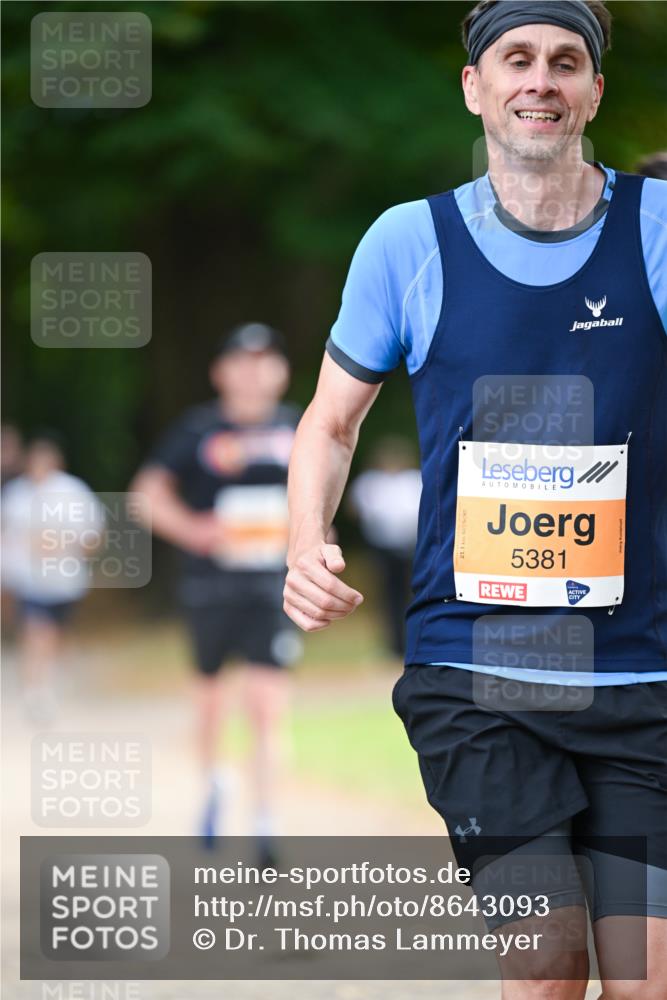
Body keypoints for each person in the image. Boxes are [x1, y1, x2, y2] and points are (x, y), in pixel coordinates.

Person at [283, 2, 667, 996]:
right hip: (477, 672)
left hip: (645, 676)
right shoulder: (405, 244)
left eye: (566, 62)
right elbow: (328, 425)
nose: (540, 78)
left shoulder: (657, 229)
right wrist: (302, 541)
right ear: (475, 86)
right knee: (545, 964)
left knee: (646, 974)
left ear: (591, 93)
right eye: (517, 59)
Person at [131, 323, 302, 863]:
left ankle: (266, 823)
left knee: (267, 706)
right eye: (242, 360)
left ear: (281, 371)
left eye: (265, 359)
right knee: (209, 706)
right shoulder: (197, 430)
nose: (254, 371)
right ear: (220, 372)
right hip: (210, 587)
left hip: (273, 588)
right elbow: (146, 496)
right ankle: (213, 788)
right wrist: (193, 529)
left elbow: (322, 497)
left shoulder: (300, 427)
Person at [2, 433, 105, 722]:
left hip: (64, 581)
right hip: (30, 581)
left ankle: (52, 680)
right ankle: (36, 692)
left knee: (54, 634)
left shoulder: (73, 492)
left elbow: (93, 533)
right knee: (37, 632)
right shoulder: (17, 495)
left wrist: (66, 546)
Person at [348, 437, 421, 657]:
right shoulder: (371, 482)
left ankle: (412, 640)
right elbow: (356, 509)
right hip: (381, 547)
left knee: (412, 594)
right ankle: (393, 644)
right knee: (388, 597)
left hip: (409, 546)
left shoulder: (414, 480)